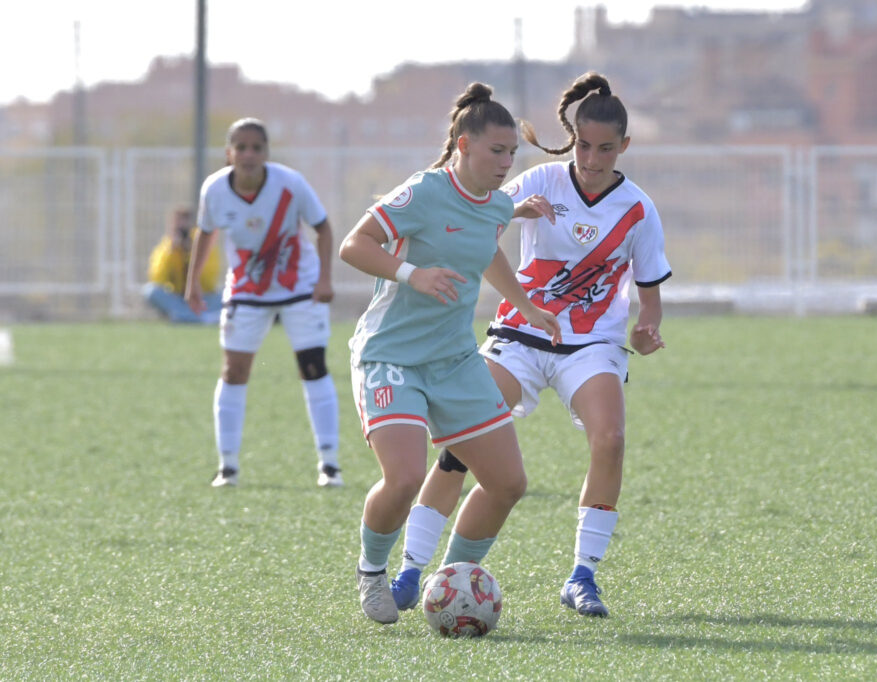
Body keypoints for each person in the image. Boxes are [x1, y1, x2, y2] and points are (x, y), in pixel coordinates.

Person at [390, 72, 672, 618]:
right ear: (573, 138)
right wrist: (506, 224)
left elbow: (649, 291)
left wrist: (647, 327)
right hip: (518, 336)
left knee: (610, 438)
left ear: (624, 147)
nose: (591, 159)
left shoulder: (639, 210)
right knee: (460, 448)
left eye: (605, 149)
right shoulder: (539, 181)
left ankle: (582, 576)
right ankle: (410, 569)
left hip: (591, 345)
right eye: (583, 145)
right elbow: (477, 225)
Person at [339, 82, 562, 624]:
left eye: (512, 153)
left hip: (455, 361)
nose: (507, 163)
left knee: (508, 483)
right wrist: (413, 274)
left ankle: (451, 584)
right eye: (496, 151)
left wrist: (526, 307)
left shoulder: (497, 203)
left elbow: (485, 248)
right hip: (390, 356)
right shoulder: (422, 192)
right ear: (463, 145)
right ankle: (372, 573)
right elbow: (354, 246)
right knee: (405, 477)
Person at [184, 117, 342, 488]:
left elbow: (323, 227)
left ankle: (330, 464)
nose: (249, 154)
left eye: (257, 147)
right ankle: (228, 467)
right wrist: (193, 284)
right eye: (241, 147)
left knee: (313, 366)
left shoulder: (291, 183)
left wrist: (323, 278)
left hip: (299, 286)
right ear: (229, 154)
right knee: (234, 371)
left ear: (267, 153)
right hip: (246, 290)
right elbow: (205, 235)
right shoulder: (215, 190)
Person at [142, 207, 222, 324]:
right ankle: (199, 318)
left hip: (202, 297)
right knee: (150, 291)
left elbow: (209, 281)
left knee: (226, 295)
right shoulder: (167, 247)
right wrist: (172, 252)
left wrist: (192, 254)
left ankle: (186, 317)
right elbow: (157, 278)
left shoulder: (204, 244)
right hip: (178, 297)